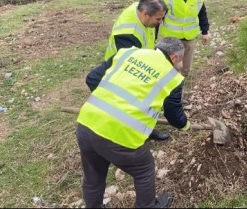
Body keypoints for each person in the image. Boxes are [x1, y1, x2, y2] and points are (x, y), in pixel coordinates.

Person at [76, 37, 190, 208]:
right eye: (180, 61)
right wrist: (185, 125)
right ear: (174, 58)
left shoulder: (127, 53)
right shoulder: (172, 77)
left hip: (86, 123)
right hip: (118, 134)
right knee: (144, 169)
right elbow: (173, 114)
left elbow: (93, 77)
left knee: (94, 176)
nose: (179, 65)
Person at [104, 0, 170, 141]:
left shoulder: (141, 10)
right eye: (158, 19)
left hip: (139, 58)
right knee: (134, 101)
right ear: (145, 14)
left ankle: (145, 128)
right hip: (121, 68)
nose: (160, 22)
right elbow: (129, 64)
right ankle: (137, 132)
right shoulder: (129, 33)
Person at [157, 0, 210, 78]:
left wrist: (205, 31)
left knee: (186, 69)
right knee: (171, 67)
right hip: (171, 38)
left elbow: (201, 12)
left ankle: (183, 81)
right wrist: (152, 37)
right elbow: (156, 17)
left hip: (189, 37)